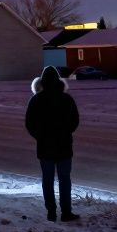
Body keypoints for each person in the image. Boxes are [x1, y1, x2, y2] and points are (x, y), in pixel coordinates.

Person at [25, 66, 80, 222]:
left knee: (47, 180)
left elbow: (30, 123)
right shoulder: (66, 99)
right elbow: (75, 121)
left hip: (45, 147)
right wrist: (66, 132)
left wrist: (40, 136)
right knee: (64, 180)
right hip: (64, 146)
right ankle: (66, 212)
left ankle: (51, 211)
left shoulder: (36, 100)